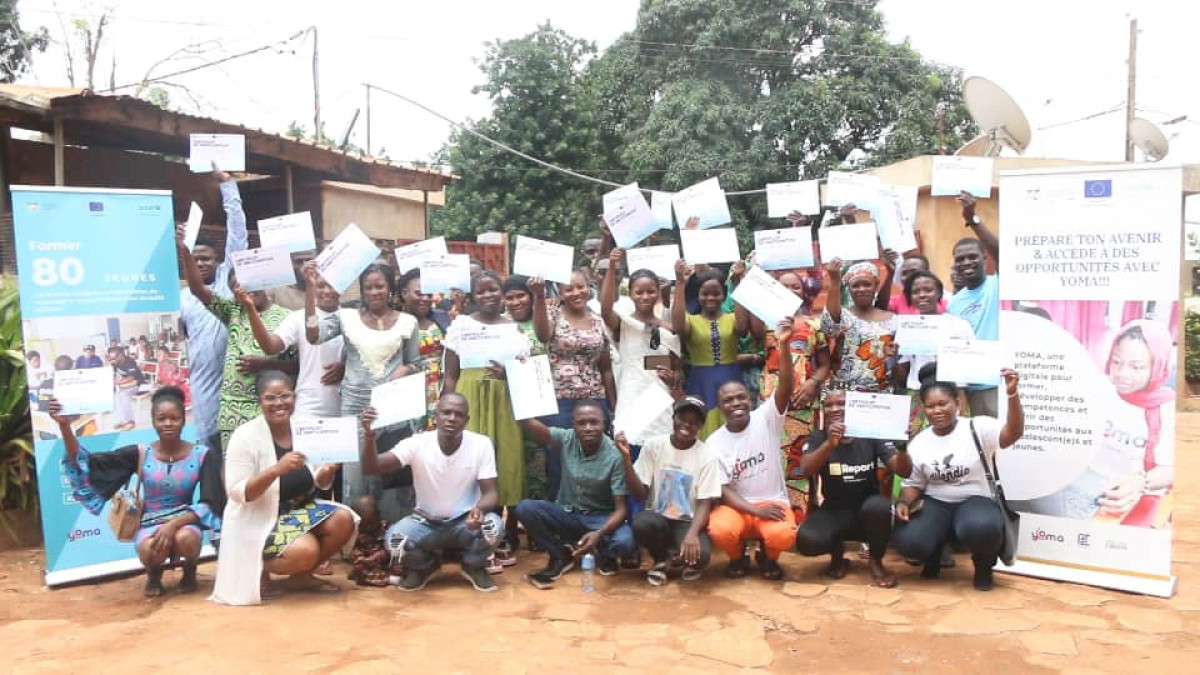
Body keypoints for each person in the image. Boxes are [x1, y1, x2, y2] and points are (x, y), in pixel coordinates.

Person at [51, 387, 221, 597]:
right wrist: (65, 426)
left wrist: (173, 525)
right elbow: (88, 462)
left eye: (174, 418)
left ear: (183, 420)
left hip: (185, 521)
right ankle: (153, 573)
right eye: (161, 419)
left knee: (186, 538)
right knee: (150, 549)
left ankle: (190, 569)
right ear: (153, 421)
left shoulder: (203, 455)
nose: (168, 423)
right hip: (149, 522)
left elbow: (210, 503)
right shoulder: (140, 453)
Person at [210, 371, 357, 605]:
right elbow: (238, 492)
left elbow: (318, 481)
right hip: (257, 518)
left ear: (294, 398)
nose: (279, 403)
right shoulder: (244, 436)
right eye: (270, 398)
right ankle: (257, 569)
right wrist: (276, 469)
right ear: (260, 401)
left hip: (294, 513)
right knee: (305, 551)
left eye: (285, 396)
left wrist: (327, 472)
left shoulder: (305, 429)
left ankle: (301, 577)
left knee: (343, 520)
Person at [303, 261, 420, 516]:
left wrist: (405, 370)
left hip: (394, 412)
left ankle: (392, 536)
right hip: (355, 410)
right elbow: (314, 335)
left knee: (392, 475)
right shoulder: (346, 317)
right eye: (368, 287)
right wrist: (310, 290)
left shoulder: (408, 322)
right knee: (355, 478)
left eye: (380, 286)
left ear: (390, 288)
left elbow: (415, 363)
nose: (374, 292)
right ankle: (356, 537)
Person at [891, 369, 1024, 591]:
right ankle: (933, 556)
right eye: (930, 406)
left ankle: (983, 568)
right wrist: (904, 502)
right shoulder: (920, 442)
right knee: (909, 541)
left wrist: (1012, 395)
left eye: (943, 403)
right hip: (937, 503)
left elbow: (1013, 433)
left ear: (958, 402)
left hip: (975, 500)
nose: (937, 410)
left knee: (982, 527)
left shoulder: (977, 427)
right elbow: (914, 484)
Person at [358, 394, 504, 593]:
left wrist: (479, 509)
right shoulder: (417, 443)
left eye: (458, 414)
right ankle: (424, 566)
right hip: (426, 523)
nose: (452, 418)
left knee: (492, 527)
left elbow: (491, 493)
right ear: (436, 416)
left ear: (466, 420)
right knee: (395, 540)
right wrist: (369, 437)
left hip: (466, 522)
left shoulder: (481, 444)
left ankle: (474, 565)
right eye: (446, 412)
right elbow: (371, 467)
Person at [179, 229, 295, 452]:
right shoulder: (232, 312)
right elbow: (197, 289)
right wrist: (185, 252)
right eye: (236, 288)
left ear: (262, 282)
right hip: (232, 410)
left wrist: (267, 364)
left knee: (270, 467)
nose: (244, 292)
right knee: (234, 471)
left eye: (248, 284)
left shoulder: (287, 317)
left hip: (270, 407)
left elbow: (297, 366)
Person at [441, 270, 528, 567]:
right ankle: (468, 531)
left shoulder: (514, 329)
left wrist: (511, 376)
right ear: (472, 297)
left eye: (494, 290)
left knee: (505, 459)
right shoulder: (461, 327)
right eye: (482, 291)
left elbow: (525, 371)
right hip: (469, 399)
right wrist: (447, 410)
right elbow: (450, 374)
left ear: (502, 294)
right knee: (471, 461)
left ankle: (501, 532)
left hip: (504, 398)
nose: (489, 295)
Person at [705, 318, 799, 581]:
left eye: (741, 397)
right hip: (738, 507)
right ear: (719, 406)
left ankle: (768, 558)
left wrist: (783, 346)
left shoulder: (765, 418)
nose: (736, 403)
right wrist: (754, 510)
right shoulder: (714, 442)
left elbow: (786, 386)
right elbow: (721, 490)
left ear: (750, 399)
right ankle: (738, 558)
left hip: (772, 500)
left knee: (783, 534)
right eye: (728, 400)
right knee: (721, 529)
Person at [794, 389, 911, 587]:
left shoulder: (872, 434)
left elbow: (903, 471)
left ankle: (875, 561)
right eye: (829, 405)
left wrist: (901, 450)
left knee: (879, 507)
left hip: (868, 512)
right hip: (834, 510)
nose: (834, 409)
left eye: (841, 403)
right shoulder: (818, 436)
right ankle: (837, 554)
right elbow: (805, 470)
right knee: (806, 541)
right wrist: (830, 444)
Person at [514, 402, 635, 589]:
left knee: (625, 542)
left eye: (594, 422)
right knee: (525, 508)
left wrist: (599, 533)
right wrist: (518, 397)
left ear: (605, 425)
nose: (588, 428)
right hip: (568, 514)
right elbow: (534, 427)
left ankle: (604, 552)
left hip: (600, 519)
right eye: (582, 423)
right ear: (573, 425)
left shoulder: (615, 455)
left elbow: (621, 510)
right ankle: (560, 554)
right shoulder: (567, 438)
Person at [177, 166, 248, 456]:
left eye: (207, 258)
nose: (202, 263)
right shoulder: (181, 299)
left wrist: (228, 187)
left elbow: (238, 234)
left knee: (236, 453)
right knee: (206, 453)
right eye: (196, 259)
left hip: (235, 385)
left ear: (219, 261)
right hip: (201, 385)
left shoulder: (225, 288)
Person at [751, 269, 831, 517]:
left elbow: (826, 364)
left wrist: (812, 384)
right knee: (771, 454)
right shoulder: (765, 323)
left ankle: (801, 514)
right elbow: (749, 327)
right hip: (772, 398)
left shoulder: (814, 324)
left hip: (804, 401)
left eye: (795, 286)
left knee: (800, 454)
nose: (789, 291)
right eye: (782, 286)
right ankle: (773, 512)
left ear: (803, 291)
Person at [531, 270, 617, 498]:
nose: (576, 293)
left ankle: (593, 514)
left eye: (580, 287)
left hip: (595, 400)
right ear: (560, 292)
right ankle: (560, 515)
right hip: (560, 401)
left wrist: (613, 407)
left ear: (588, 287)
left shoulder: (599, 320)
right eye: (568, 289)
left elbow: (606, 368)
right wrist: (538, 295)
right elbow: (541, 335)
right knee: (560, 461)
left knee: (595, 460)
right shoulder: (552, 314)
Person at [620, 396, 722, 586]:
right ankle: (661, 559)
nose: (687, 425)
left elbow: (704, 502)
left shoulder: (707, 455)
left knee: (702, 556)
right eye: (682, 418)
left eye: (694, 422)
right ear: (673, 418)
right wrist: (626, 460)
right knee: (641, 523)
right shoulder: (654, 445)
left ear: (700, 426)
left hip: (687, 520)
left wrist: (692, 534)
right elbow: (639, 494)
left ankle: (678, 557)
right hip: (659, 517)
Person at [602, 249, 681, 449]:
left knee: (660, 455)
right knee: (631, 455)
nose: (645, 296)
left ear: (658, 291)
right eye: (639, 292)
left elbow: (676, 367)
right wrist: (612, 267)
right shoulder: (624, 324)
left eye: (650, 291)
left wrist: (673, 380)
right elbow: (605, 310)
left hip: (660, 400)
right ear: (630, 294)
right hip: (632, 398)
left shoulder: (668, 329)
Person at [1100, 320, 1175, 527]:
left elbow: (1173, 469)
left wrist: (1141, 483)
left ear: (1157, 367)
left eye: (1136, 367)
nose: (1122, 373)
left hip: (1139, 496)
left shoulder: (1167, 410)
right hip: (1093, 488)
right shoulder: (1099, 389)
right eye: (1116, 362)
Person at [243, 270, 345, 420]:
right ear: (313, 287)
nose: (327, 291)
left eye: (332, 286)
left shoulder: (353, 316)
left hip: (346, 406)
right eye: (321, 286)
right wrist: (251, 309)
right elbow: (270, 346)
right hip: (309, 407)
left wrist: (345, 366)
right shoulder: (297, 318)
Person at [672, 259, 750, 438]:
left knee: (735, 427)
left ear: (724, 295)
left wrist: (738, 283)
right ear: (698, 295)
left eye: (716, 293)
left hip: (731, 378)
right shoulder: (691, 321)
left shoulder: (732, 318)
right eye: (705, 294)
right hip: (701, 382)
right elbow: (677, 325)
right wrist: (680, 283)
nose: (710, 298)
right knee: (704, 430)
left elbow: (743, 327)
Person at [894, 271, 974, 435]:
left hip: (953, 392)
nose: (922, 295)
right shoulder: (907, 327)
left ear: (939, 292)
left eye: (928, 290)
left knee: (959, 440)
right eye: (916, 292)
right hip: (918, 393)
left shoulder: (960, 325)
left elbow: (971, 362)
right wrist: (893, 356)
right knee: (917, 444)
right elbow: (905, 368)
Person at [946, 191, 1001, 416]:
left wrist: (973, 218)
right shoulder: (954, 303)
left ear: (985, 259)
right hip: (970, 389)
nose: (966, 262)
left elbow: (1002, 253)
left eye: (973, 257)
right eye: (960, 259)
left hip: (995, 385)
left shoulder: (997, 286)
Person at [503, 275, 552, 505]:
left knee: (539, 462)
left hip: (540, 404)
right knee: (510, 459)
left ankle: (537, 515)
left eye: (521, 295)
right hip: (507, 404)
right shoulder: (498, 325)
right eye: (509, 297)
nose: (515, 302)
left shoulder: (544, 320)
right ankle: (511, 518)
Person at [822, 257, 899, 392]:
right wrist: (834, 279)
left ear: (875, 286)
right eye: (855, 285)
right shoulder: (844, 316)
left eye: (867, 284)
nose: (861, 289)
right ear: (849, 289)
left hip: (882, 392)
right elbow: (829, 327)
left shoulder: (893, 320)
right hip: (845, 392)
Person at [398, 269, 452, 431]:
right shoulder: (394, 322)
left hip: (439, 387)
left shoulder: (441, 318)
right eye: (419, 293)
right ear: (404, 293)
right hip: (409, 390)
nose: (425, 299)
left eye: (429, 294)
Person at [347, 495, 391, 587]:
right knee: (359, 568)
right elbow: (353, 550)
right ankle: (371, 578)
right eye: (364, 524)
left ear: (378, 515)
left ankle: (389, 578)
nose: (368, 527)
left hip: (385, 562)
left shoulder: (386, 528)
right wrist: (361, 558)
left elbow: (392, 548)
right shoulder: (356, 533)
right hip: (368, 564)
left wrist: (380, 555)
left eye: (371, 523)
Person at [108, 346, 145, 431]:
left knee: (124, 395)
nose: (112, 360)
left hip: (138, 383)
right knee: (117, 396)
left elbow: (131, 378)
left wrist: (118, 382)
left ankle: (130, 422)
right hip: (127, 384)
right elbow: (114, 373)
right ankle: (124, 420)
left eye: (114, 358)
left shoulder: (130, 362)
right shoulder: (115, 363)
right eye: (111, 358)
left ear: (121, 355)